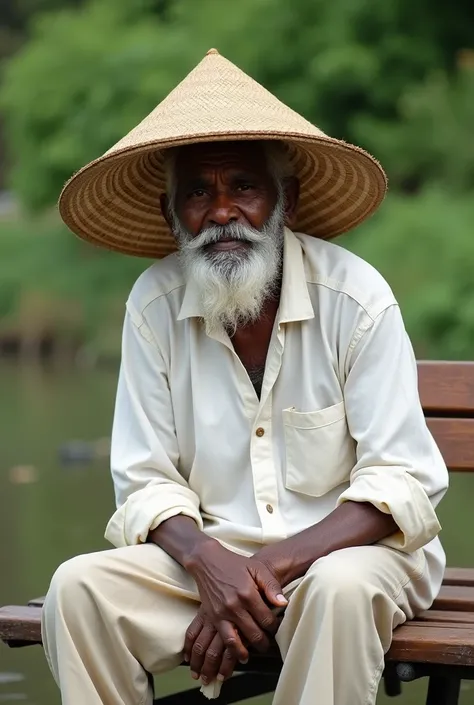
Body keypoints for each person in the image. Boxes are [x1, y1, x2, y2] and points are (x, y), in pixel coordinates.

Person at [42, 49, 448, 705]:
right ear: (173, 211)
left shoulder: (356, 297)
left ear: (284, 198)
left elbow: (404, 480)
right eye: (199, 192)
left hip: (353, 562)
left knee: (339, 590)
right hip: (214, 564)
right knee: (78, 589)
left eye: (245, 187)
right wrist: (209, 564)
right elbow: (144, 480)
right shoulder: (154, 303)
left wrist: (259, 571)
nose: (223, 210)